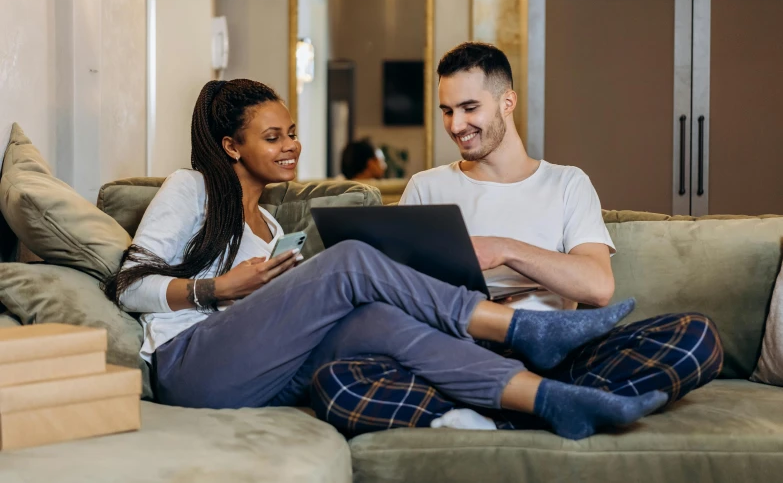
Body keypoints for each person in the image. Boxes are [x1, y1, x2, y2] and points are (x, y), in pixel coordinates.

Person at [102, 78, 670, 442]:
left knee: (374, 320)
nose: (291, 146)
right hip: (190, 366)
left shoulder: (272, 225)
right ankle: (521, 329)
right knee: (352, 259)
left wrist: (282, 295)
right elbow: (128, 286)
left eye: (292, 133)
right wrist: (217, 289)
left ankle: (553, 401)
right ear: (232, 147)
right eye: (273, 137)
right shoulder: (190, 188)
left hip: (255, 372)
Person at [310, 43, 724, 435]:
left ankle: (494, 415)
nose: (456, 125)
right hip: (456, 359)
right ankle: (550, 408)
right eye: (447, 111)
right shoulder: (426, 187)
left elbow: (598, 287)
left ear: (507, 102)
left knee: (697, 337)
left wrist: (505, 249)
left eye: (470, 108)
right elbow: (396, 299)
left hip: (556, 358)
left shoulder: (567, 183)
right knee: (335, 382)